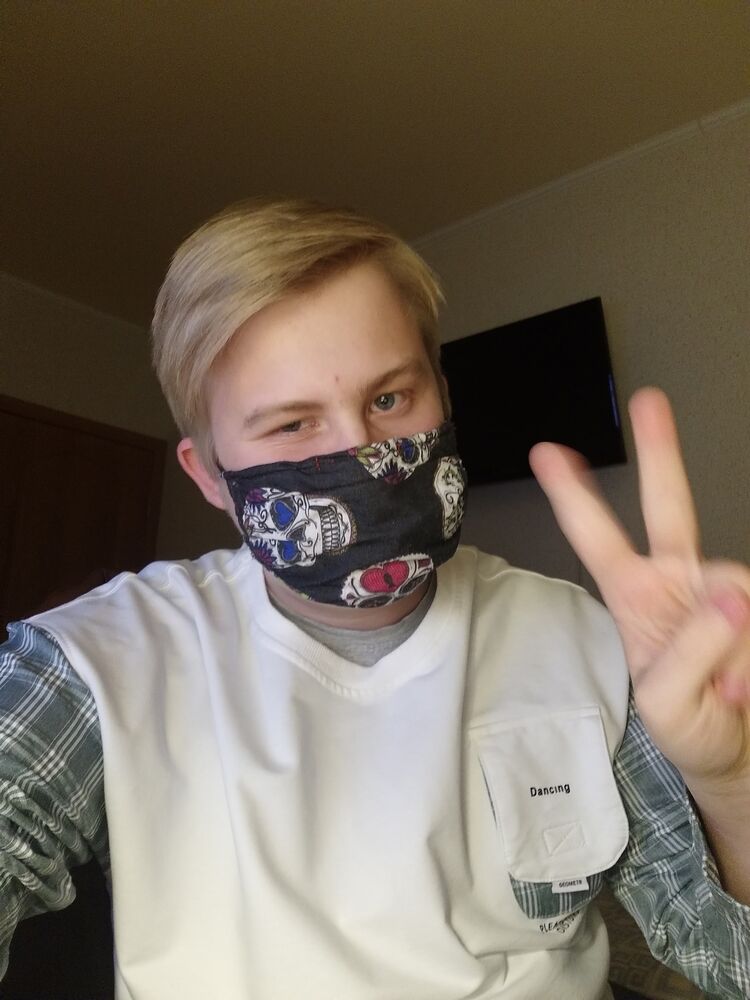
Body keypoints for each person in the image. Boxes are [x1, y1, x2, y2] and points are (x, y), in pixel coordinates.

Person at [1, 198, 748, 1000]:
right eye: (293, 425)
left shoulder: (591, 640)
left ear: (442, 396)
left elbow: (724, 956)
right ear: (210, 477)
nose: (362, 453)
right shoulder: (96, 663)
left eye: (389, 399)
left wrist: (733, 782)